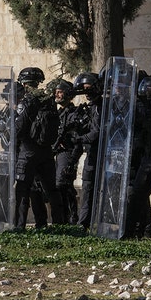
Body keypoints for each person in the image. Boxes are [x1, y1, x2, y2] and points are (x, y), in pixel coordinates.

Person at [13, 67, 65, 230]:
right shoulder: (48, 99)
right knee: (51, 190)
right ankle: (59, 224)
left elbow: (20, 128)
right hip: (46, 151)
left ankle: (19, 226)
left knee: (22, 189)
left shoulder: (28, 100)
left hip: (28, 151)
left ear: (24, 83)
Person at [123, 74, 151, 239]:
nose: (146, 93)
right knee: (136, 195)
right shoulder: (143, 107)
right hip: (148, 158)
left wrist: (144, 118)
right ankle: (128, 232)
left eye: (149, 89)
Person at [71, 72, 103, 231]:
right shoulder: (91, 108)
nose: (86, 92)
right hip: (91, 155)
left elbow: (96, 133)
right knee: (87, 189)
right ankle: (83, 224)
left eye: (88, 88)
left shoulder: (102, 106)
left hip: (102, 155)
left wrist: (80, 138)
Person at [51, 78, 85, 225]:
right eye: (56, 92)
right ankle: (63, 219)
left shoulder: (74, 113)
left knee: (63, 184)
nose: (57, 95)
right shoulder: (58, 113)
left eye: (60, 92)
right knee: (60, 186)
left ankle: (72, 217)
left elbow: (77, 140)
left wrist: (72, 161)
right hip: (57, 152)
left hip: (68, 153)